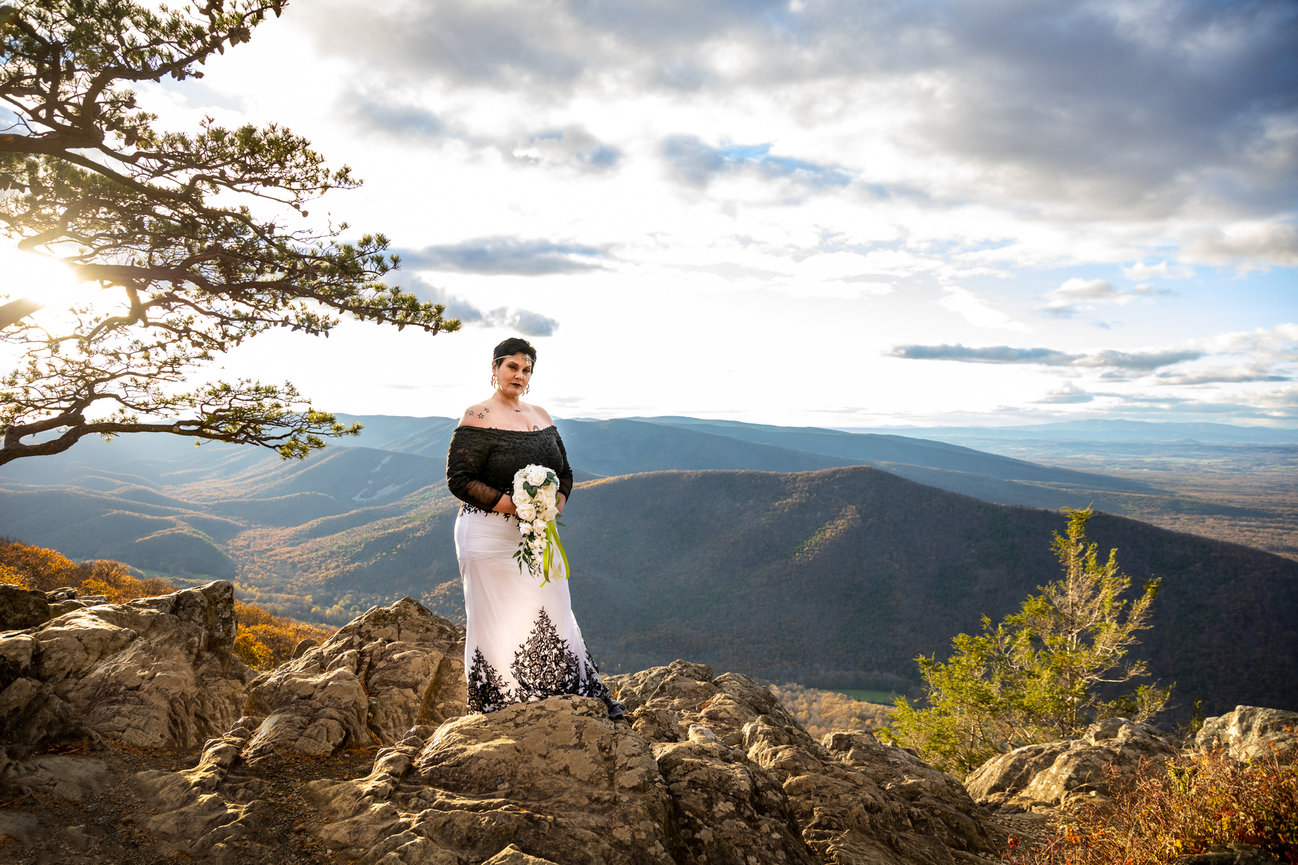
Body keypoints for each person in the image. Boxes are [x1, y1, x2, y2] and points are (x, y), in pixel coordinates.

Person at [445, 337, 625, 719]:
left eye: (526, 370)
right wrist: (515, 505)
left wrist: (551, 504)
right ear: (494, 368)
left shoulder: (541, 414)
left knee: (553, 603)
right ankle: (500, 704)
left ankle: (565, 696)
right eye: (512, 367)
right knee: (496, 614)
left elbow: (565, 472)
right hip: (487, 532)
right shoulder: (477, 416)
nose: (519, 375)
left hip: (539, 531)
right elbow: (459, 479)